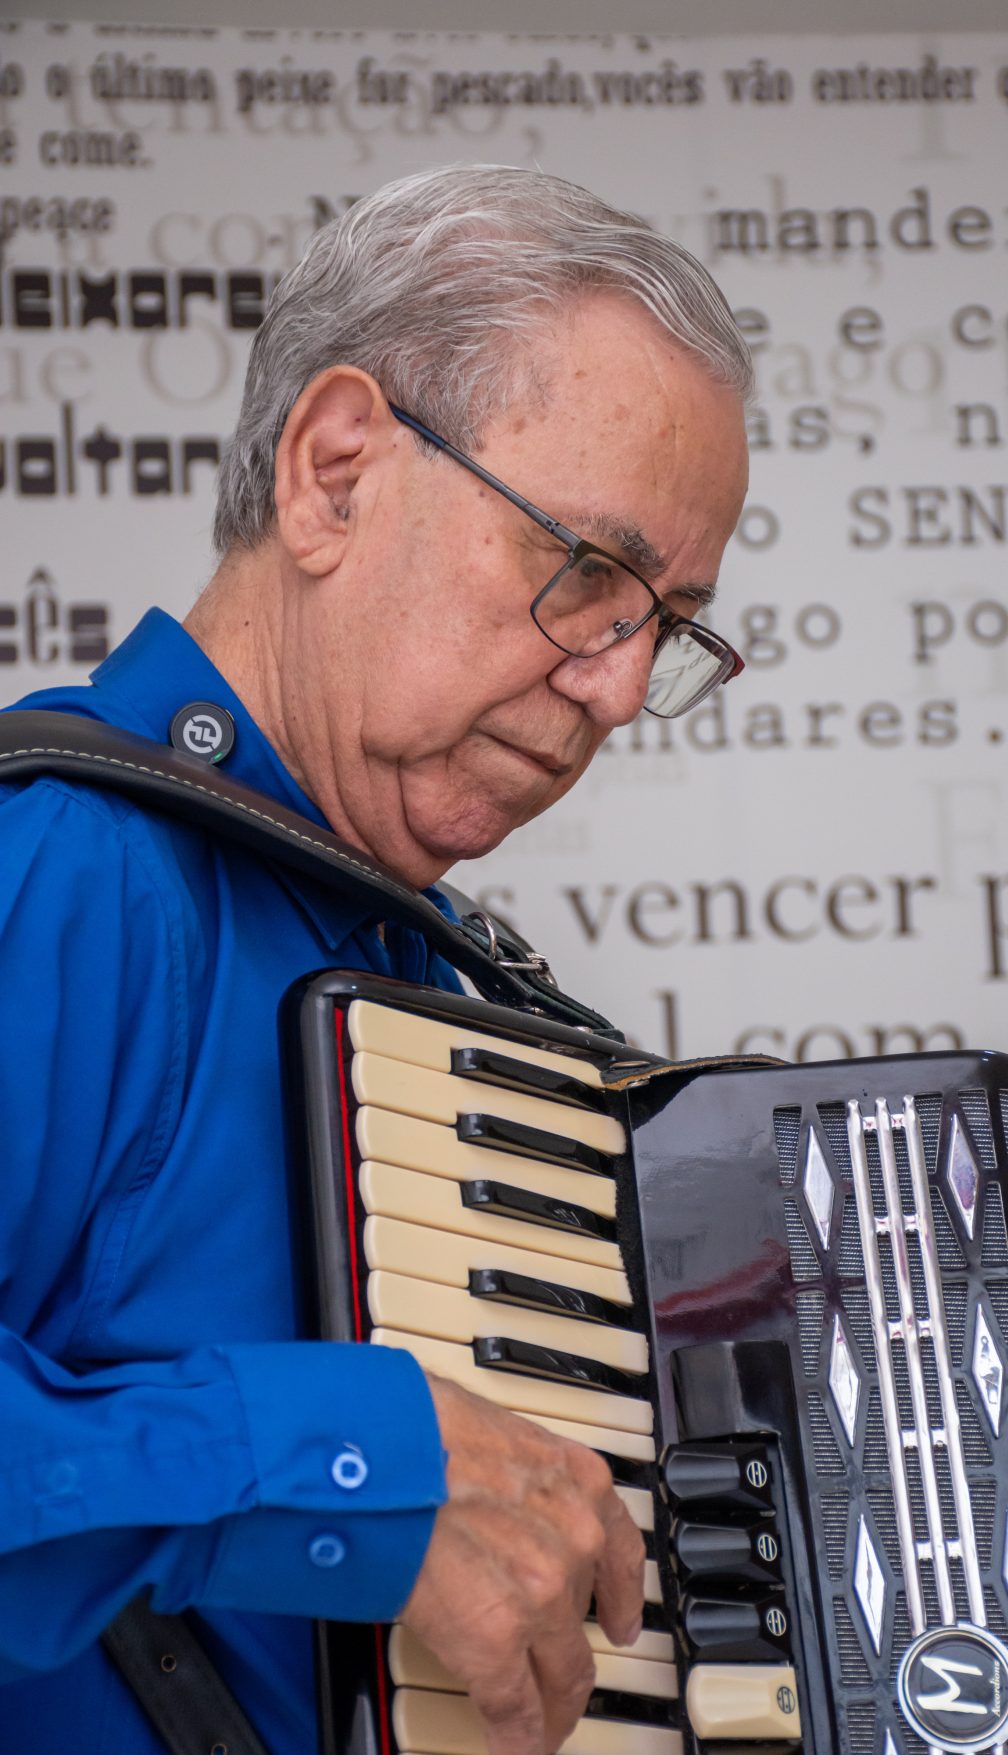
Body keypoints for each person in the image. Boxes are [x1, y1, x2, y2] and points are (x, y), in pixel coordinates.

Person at [0, 164, 753, 1755]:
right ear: (336, 473)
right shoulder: (66, 866)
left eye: (667, 624)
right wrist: (327, 1467)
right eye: (586, 574)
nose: (618, 694)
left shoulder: (441, 996)